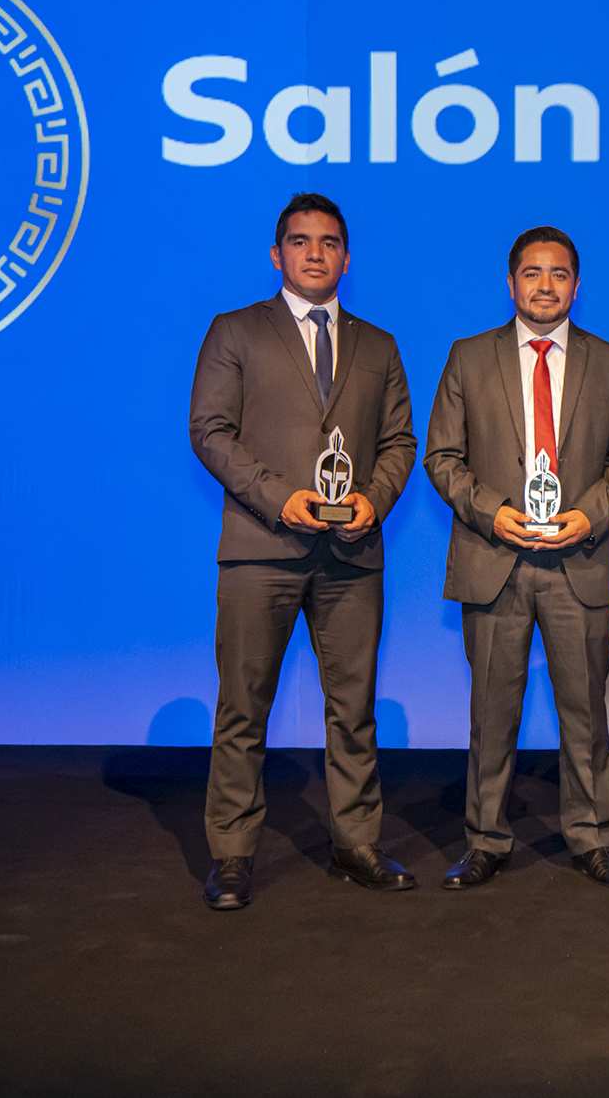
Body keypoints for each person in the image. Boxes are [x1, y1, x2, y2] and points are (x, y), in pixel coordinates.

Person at [188, 191, 421, 910]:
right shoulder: (235, 331)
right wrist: (276, 495)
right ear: (276, 254)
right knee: (242, 709)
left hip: (352, 555)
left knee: (353, 710)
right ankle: (231, 855)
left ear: (347, 257)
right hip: (262, 548)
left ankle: (356, 843)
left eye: (327, 242)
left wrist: (374, 500)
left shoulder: (378, 344)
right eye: (299, 241)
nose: (314, 253)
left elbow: (399, 442)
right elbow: (209, 430)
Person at [423, 226, 609, 891]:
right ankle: (486, 839)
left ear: (576, 284)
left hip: (579, 560)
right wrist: (494, 511)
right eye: (531, 273)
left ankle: (592, 838)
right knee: (492, 711)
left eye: (558, 274)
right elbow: (441, 456)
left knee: (585, 711)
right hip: (496, 559)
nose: (545, 286)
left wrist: (588, 516)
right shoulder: (469, 356)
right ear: (511, 282)